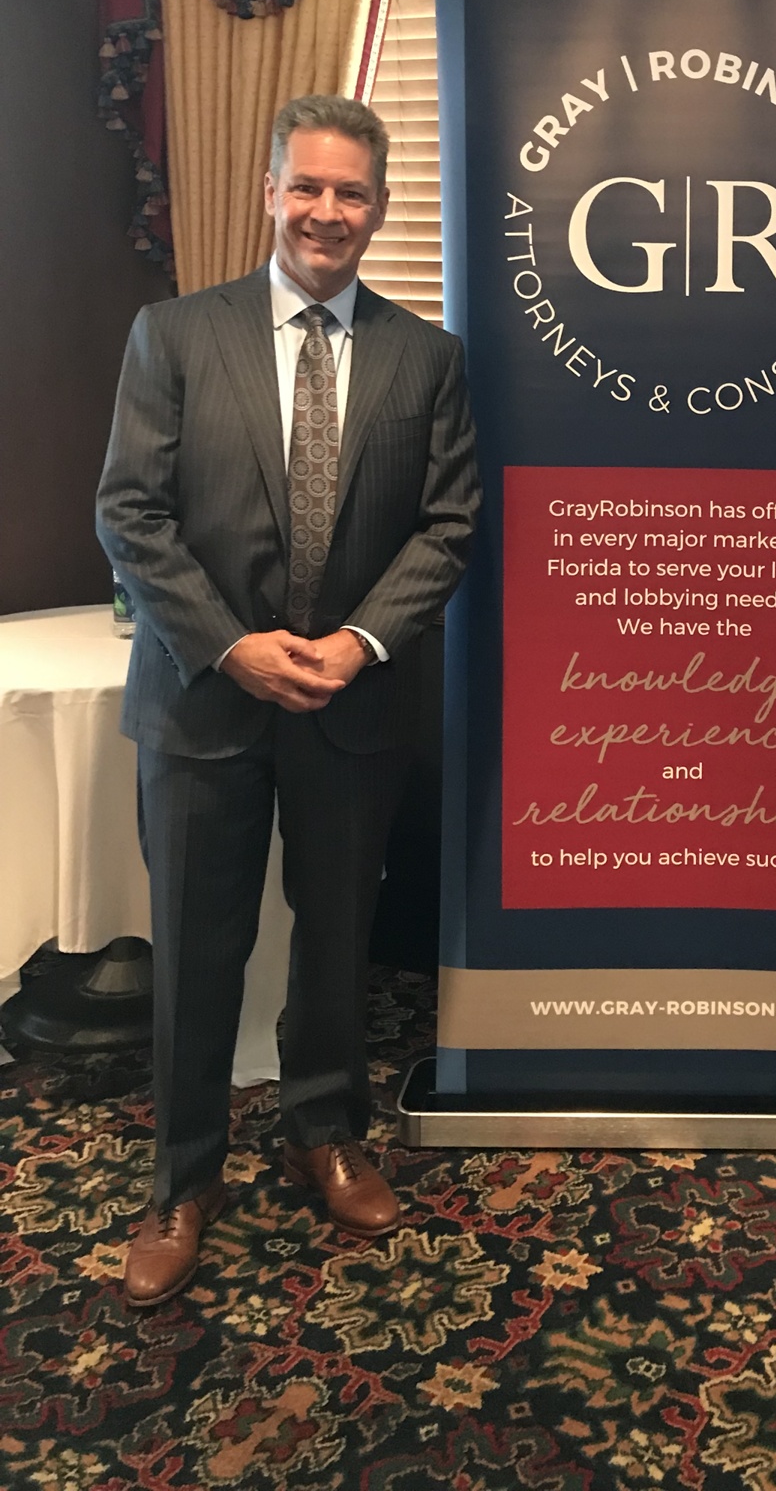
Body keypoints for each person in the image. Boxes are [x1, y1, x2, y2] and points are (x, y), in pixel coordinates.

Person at [97, 93, 481, 1308]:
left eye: (352, 192)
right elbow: (131, 515)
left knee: (337, 938)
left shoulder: (429, 356)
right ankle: (182, 1176)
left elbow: (450, 523)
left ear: (380, 206)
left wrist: (361, 642)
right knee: (199, 949)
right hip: (204, 701)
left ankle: (327, 1127)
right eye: (307, 187)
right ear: (270, 192)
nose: (328, 211)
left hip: (352, 703)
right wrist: (230, 646)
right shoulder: (172, 334)